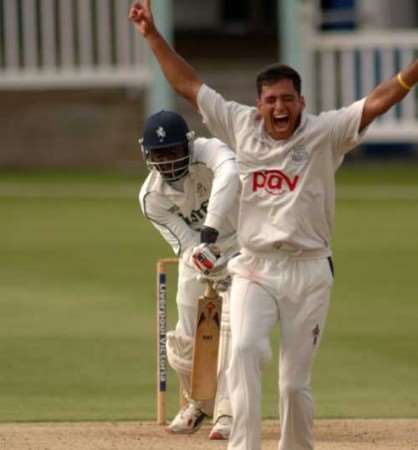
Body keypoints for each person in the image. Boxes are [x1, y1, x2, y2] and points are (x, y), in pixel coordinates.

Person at [130, 2, 418, 449]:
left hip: (309, 269)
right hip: (255, 267)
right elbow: (188, 84)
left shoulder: (326, 131)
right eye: (270, 100)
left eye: (287, 99)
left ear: (300, 102)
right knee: (243, 350)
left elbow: (378, 102)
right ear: (259, 103)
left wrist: (414, 70)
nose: (279, 107)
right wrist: (151, 35)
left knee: (292, 384)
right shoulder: (240, 124)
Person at [139, 109, 240, 440]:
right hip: (200, 254)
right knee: (184, 336)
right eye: (159, 154)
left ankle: (227, 412)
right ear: (147, 155)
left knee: (231, 333)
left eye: (173, 152)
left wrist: (212, 231)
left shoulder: (210, 151)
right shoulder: (151, 196)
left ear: (188, 146)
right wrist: (204, 258)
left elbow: (231, 174)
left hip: (244, 244)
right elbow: (185, 243)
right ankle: (198, 404)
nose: (167, 161)